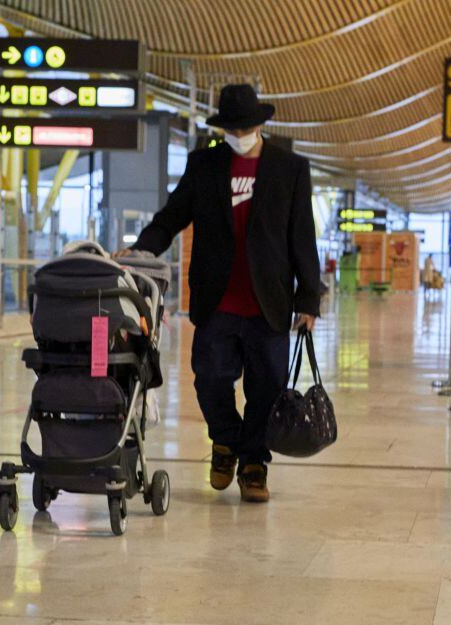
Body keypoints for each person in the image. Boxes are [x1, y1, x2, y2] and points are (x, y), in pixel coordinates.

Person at [116, 84, 320, 503]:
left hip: (269, 301)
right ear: (222, 128)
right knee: (210, 381)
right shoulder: (204, 166)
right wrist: (140, 251)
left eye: (245, 126)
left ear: (260, 124)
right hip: (216, 300)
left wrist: (309, 298)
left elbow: (303, 238)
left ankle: (253, 464)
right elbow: (171, 217)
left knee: (267, 388)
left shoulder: (290, 169)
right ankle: (225, 443)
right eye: (232, 127)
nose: (239, 133)